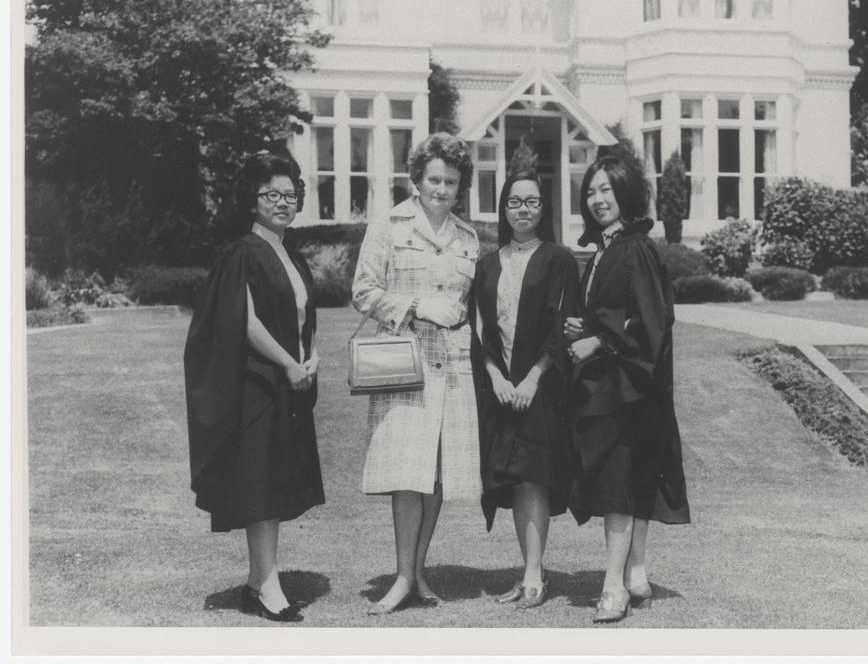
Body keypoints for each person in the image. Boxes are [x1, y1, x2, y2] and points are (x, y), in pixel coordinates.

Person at [184, 150, 324, 623]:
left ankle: (256, 577)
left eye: (290, 194)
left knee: (274, 480)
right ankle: (268, 584)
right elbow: (246, 322)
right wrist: (289, 363)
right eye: (272, 195)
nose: (283, 202)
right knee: (261, 484)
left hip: (288, 383)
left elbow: (302, 317)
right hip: (259, 386)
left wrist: (312, 356)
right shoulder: (242, 252)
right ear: (253, 200)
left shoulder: (290, 253)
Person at [351, 132, 480, 615]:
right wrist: (417, 306)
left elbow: (469, 307)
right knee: (408, 473)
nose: (441, 189)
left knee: (438, 476)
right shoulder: (388, 225)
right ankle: (403, 576)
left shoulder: (468, 238)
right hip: (405, 363)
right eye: (433, 179)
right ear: (416, 179)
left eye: (450, 181)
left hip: (455, 368)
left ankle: (419, 570)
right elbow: (363, 292)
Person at [563, 153, 690, 624]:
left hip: (630, 386)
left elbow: (652, 320)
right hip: (620, 384)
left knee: (618, 484)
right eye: (592, 191)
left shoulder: (635, 246)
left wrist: (599, 340)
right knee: (629, 479)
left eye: (607, 190)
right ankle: (636, 573)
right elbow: (623, 311)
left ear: (626, 194)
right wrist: (586, 326)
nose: (598, 199)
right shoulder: (605, 249)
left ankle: (612, 586)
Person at [470, 171, 580, 610]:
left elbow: (563, 324)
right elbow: (480, 330)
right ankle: (529, 570)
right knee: (515, 477)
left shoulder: (559, 260)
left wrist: (532, 378)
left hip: (542, 387)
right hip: (501, 387)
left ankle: (534, 574)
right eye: (514, 202)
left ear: (544, 207)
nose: (523, 210)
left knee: (535, 475)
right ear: (503, 208)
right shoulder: (488, 264)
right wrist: (497, 378)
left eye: (532, 202)